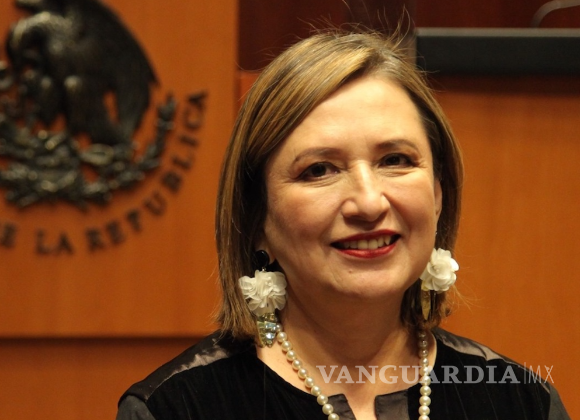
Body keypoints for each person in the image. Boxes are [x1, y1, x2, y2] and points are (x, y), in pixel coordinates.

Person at [116, 31, 570, 420]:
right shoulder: (176, 409)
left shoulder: (520, 401)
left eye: (396, 160)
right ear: (255, 218)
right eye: (319, 170)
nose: (369, 203)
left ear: (437, 194)